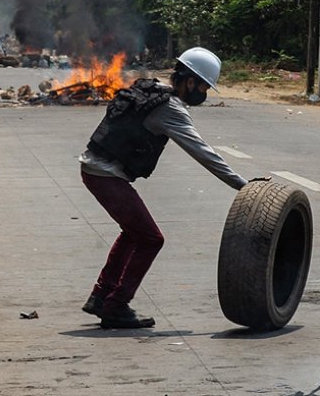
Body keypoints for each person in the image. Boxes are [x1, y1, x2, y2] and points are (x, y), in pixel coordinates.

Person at [78, 47, 266, 329]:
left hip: (96, 168)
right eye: (203, 86)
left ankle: (101, 296)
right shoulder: (171, 109)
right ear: (189, 81)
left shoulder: (152, 88)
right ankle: (116, 305)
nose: (203, 93)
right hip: (106, 175)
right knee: (151, 239)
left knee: (133, 234)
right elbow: (204, 153)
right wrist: (244, 187)